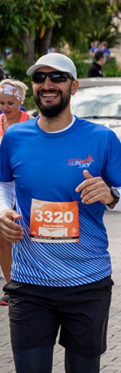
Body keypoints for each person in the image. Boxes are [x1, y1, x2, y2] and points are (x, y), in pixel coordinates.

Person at [0, 53, 121, 373]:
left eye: (58, 78)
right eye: (40, 78)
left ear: (73, 86)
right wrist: (2, 211)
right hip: (30, 283)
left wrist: (111, 195)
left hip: (87, 282)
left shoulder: (100, 139)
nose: (48, 85)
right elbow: (4, 186)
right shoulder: (15, 135)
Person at [0, 79, 31, 306]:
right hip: (2, 188)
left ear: (20, 100)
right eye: (1, 103)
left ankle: (32, 283)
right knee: (2, 240)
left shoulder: (31, 124)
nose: (6, 108)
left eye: (10, 102)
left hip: (23, 188)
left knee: (24, 237)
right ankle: (12, 289)